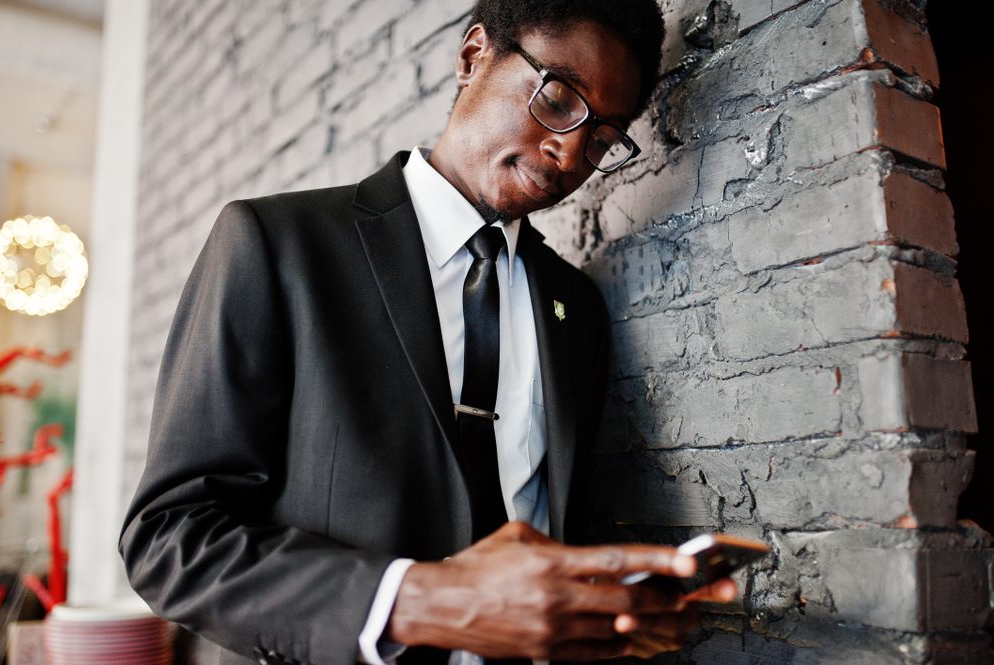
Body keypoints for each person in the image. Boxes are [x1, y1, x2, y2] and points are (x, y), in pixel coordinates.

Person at [119, 1, 737, 664]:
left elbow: (556, 530)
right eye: (559, 98)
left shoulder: (575, 308)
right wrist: (420, 600)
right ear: (473, 57)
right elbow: (170, 536)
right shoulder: (278, 245)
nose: (569, 150)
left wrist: (607, 614)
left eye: (604, 138)